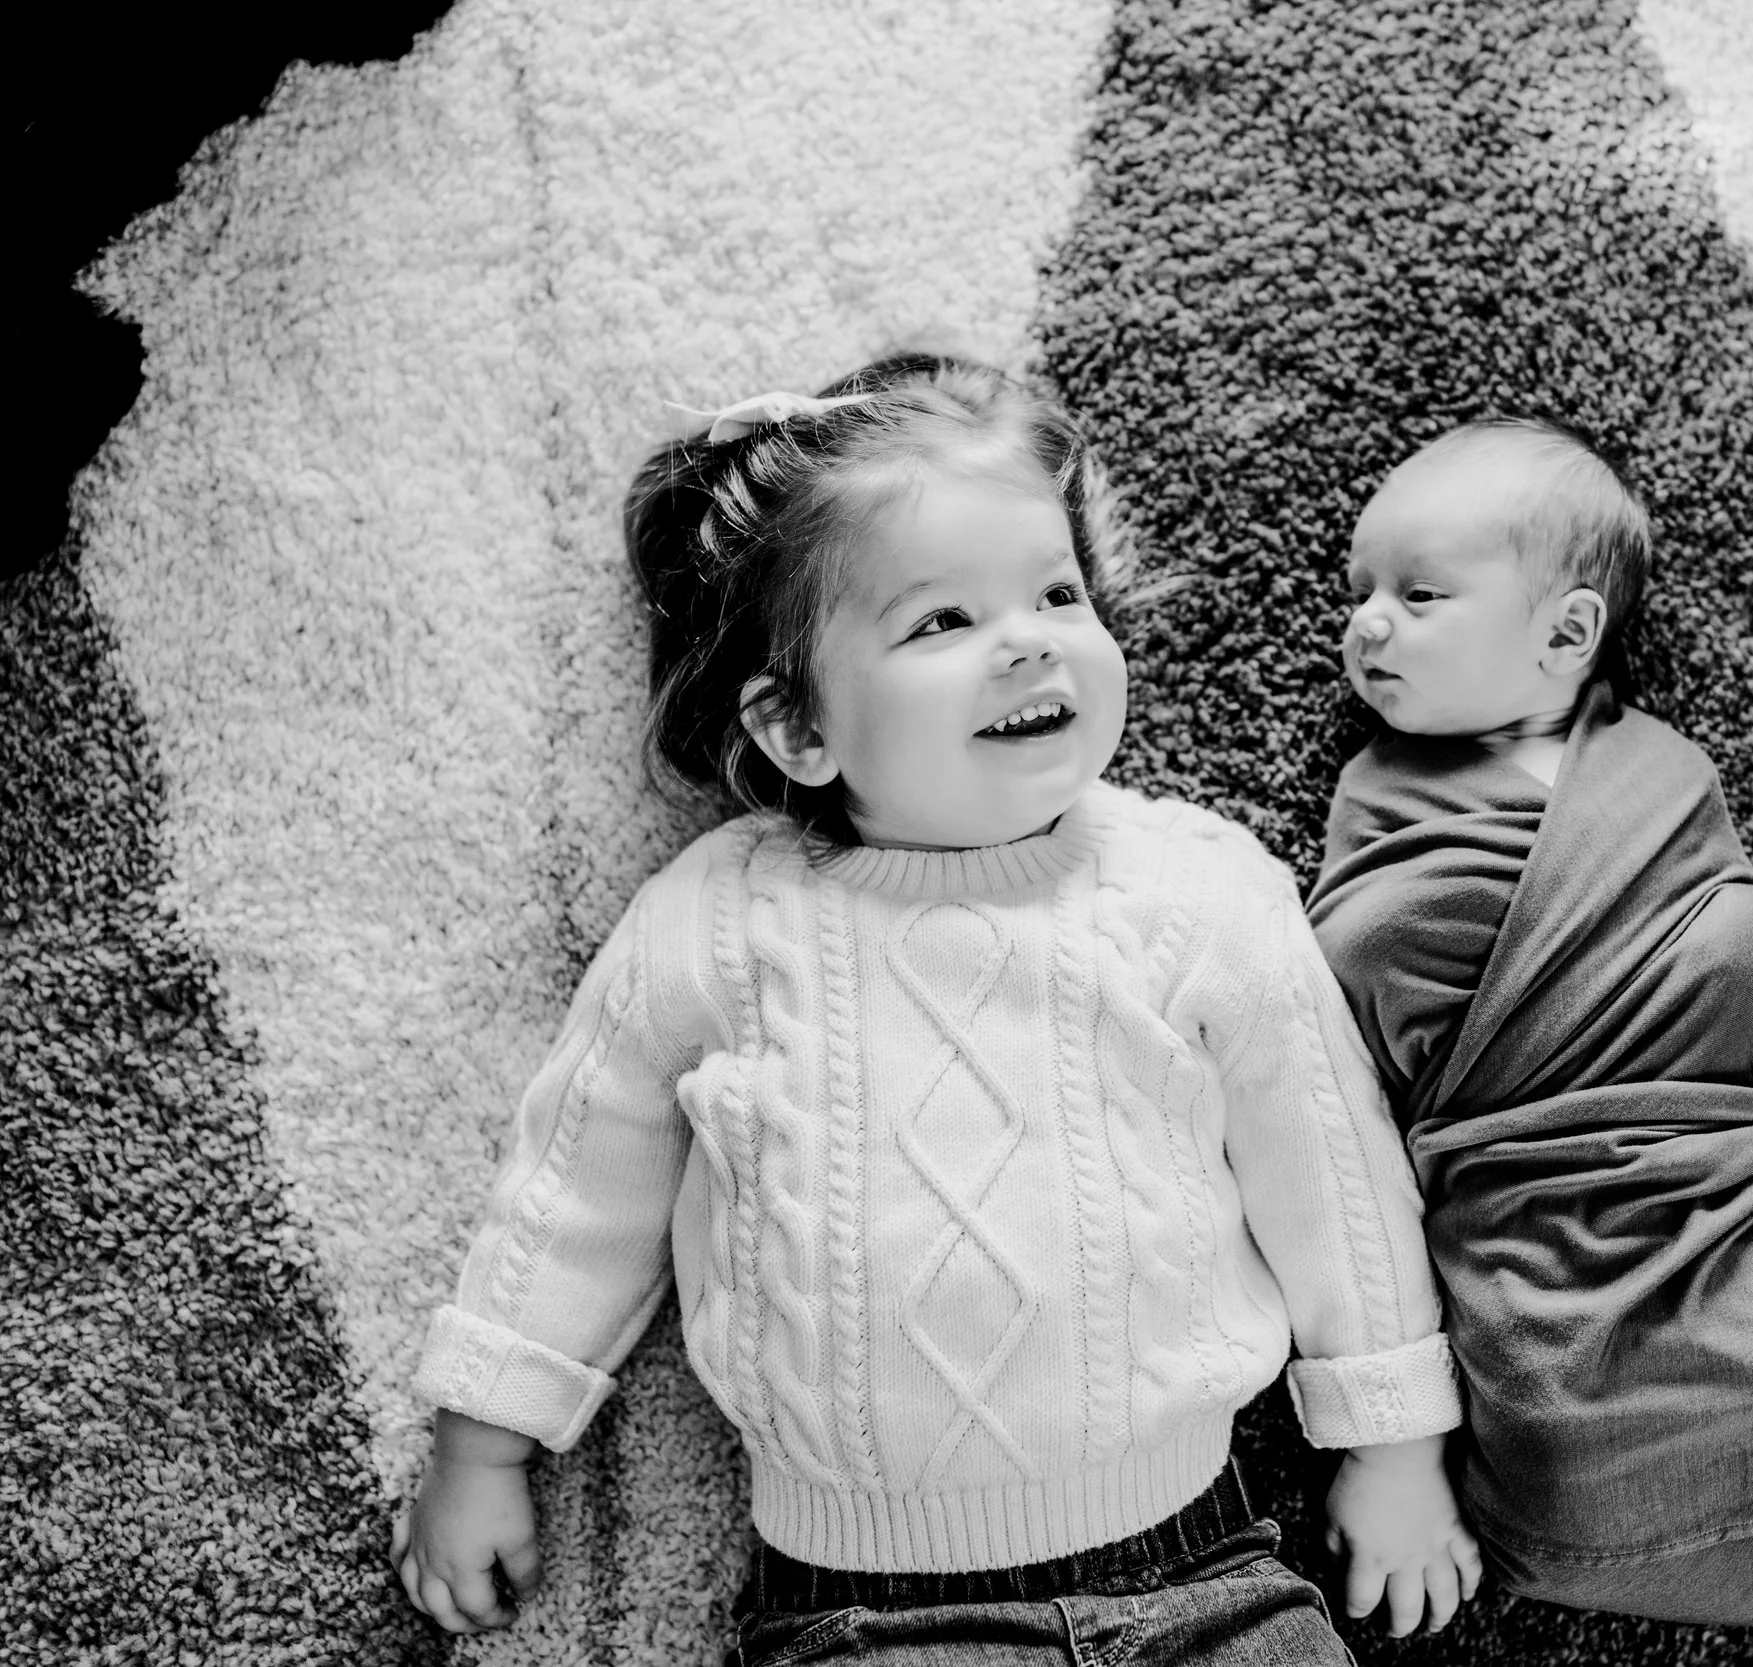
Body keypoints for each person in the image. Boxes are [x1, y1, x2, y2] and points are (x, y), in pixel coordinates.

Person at [391, 354, 1478, 1666]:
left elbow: (1334, 1176)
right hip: (867, 1615)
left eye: (1057, 592)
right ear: (798, 726)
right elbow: (579, 1179)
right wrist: (482, 1437)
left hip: (1210, 1572)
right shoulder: (724, 920)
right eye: (941, 621)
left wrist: (1395, 1443)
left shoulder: (1197, 887)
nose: (1028, 637)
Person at [1304, 419, 1753, 1626]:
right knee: (1549, 1397)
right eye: (1360, 590)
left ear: (1566, 634)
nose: (1366, 621)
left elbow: (1719, 946)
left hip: (1715, 1188)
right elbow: (1347, 1012)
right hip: (1540, 1220)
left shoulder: (1663, 775)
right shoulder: (1381, 797)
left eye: (1417, 593)